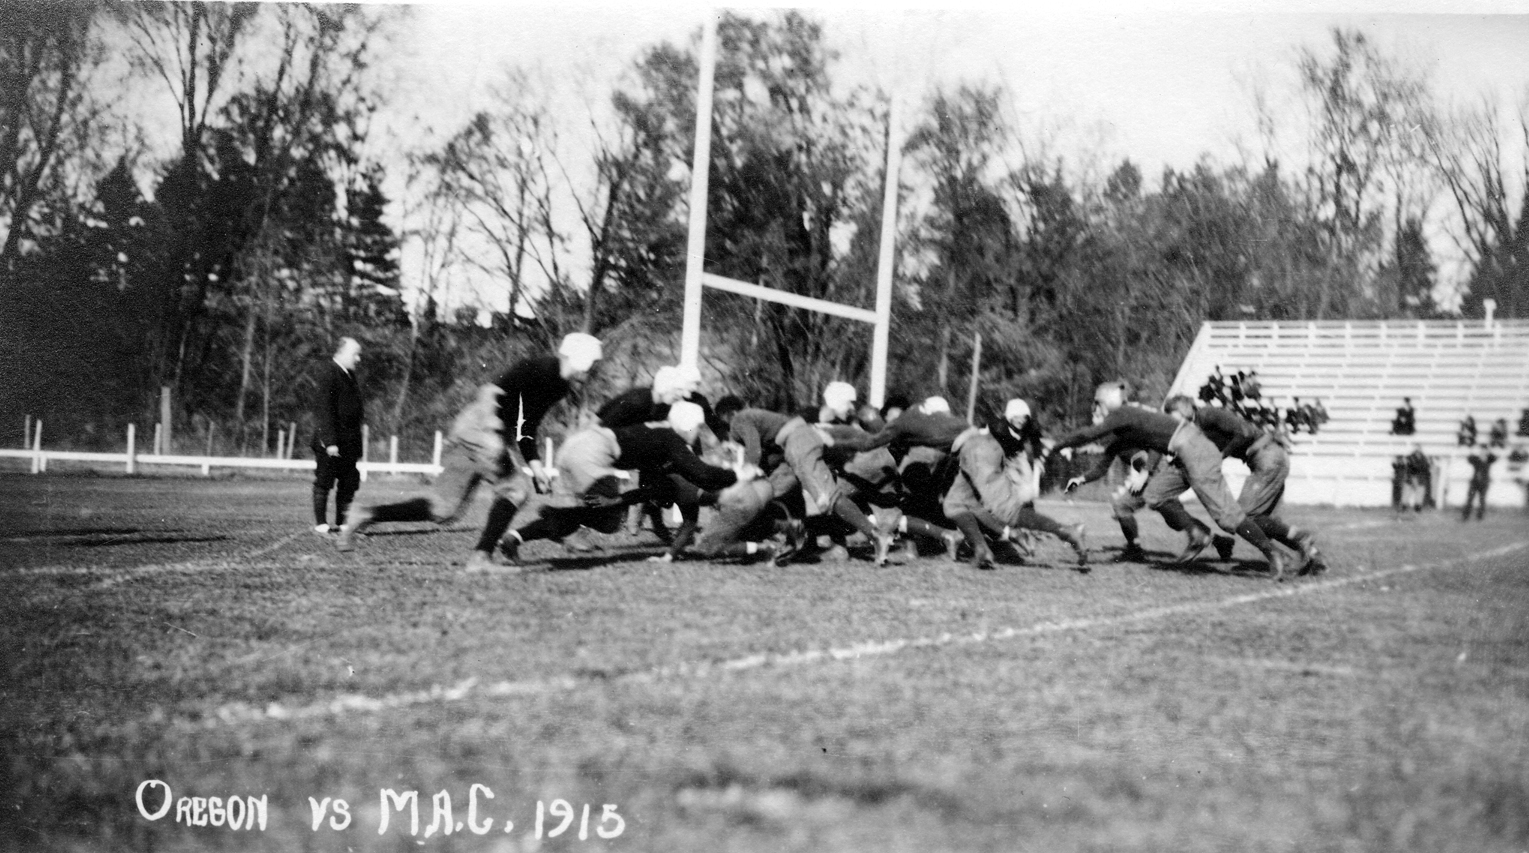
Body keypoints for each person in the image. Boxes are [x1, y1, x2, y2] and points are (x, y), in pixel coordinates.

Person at [336, 333, 603, 571]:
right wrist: (490, 429)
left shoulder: (560, 387)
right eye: (594, 363)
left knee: (443, 508)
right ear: (582, 359)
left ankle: (366, 513)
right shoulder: (541, 367)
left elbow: (526, 426)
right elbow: (490, 391)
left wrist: (535, 464)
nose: (594, 371)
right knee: (514, 490)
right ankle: (481, 558)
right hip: (481, 427)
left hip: (475, 431)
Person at [1053, 382, 1288, 579]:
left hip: (1192, 449)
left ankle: (1272, 552)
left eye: (1098, 404)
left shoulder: (1122, 414)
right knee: (1154, 495)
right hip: (1183, 452)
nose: (1097, 409)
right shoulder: (1128, 420)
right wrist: (1082, 477)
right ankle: (1199, 533)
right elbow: (1120, 452)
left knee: (1227, 518)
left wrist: (1057, 444)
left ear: (1106, 401)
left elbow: (1088, 434)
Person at [497, 402, 759, 568]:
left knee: (599, 516)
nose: (697, 433)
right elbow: (702, 476)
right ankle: (554, 518)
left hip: (577, 446)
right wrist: (739, 474)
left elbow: (657, 493)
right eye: (698, 427)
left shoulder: (661, 436)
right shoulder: (672, 442)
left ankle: (519, 535)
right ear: (689, 425)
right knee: (607, 521)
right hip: (594, 452)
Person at [720, 399, 894, 566]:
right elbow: (768, 455)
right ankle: (800, 543)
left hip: (798, 443)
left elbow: (755, 451)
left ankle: (875, 535)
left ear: (729, 414)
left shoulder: (739, 419)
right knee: (783, 494)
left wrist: (742, 480)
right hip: (797, 446)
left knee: (826, 497)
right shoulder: (763, 420)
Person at [1164, 395, 1326, 575]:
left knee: (1247, 516)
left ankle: (1302, 537)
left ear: (1184, 409)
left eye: (1172, 414)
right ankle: (1313, 555)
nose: (1171, 421)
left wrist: (1222, 455)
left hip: (1267, 457)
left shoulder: (1206, 414)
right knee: (1264, 522)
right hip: (1269, 458)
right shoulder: (1197, 425)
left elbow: (1244, 433)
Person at [310, 337, 364, 535]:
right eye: (355, 354)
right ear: (341, 353)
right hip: (331, 441)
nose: (358, 359)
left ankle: (342, 522)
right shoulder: (329, 373)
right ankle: (321, 523)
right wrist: (330, 442)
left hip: (349, 442)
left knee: (348, 483)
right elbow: (324, 410)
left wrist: (357, 446)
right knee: (324, 481)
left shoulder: (349, 375)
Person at [1461, 444, 1497, 521]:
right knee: (1470, 499)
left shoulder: (1489, 459)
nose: (1483, 452)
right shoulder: (1476, 459)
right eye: (1482, 450)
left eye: (1484, 450)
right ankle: (1465, 516)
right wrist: (1474, 451)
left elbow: (1494, 458)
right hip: (1475, 482)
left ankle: (1480, 516)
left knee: (1482, 499)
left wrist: (1488, 452)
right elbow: (1469, 458)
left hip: (1484, 482)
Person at [1402, 444, 1430, 512]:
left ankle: (1418, 506)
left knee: (1420, 491)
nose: (1418, 450)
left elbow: (1426, 467)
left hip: (1420, 477)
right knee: (1407, 491)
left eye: (1419, 448)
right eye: (1417, 448)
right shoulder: (1410, 457)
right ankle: (1404, 505)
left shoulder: (1424, 458)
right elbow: (1411, 466)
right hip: (1411, 476)